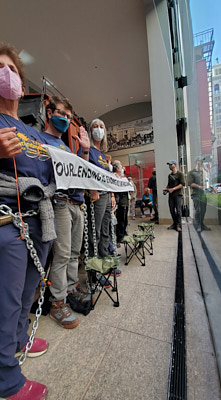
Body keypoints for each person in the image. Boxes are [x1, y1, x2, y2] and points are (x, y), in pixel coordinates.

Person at [0, 44, 55, 399]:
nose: (6, 73)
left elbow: (57, 170)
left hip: (40, 222)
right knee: (5, 304)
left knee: (25, 295)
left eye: (11, 68)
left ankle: (19, 343)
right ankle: (7, 381)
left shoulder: (33, 131)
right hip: (9, 223)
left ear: (21, 82)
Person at [41, 95, 91, 329]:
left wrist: (85, 151)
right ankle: (57, 302)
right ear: (49, 113)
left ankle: (70, 289)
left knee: (73, 253)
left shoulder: (66, 146)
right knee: (61, 256)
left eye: (68, 117)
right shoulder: (39, 139)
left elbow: (78, 173)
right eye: (61, 113)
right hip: (59, 203)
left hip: (75, 204)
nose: (65, 119)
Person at [79, 119, 119, 283]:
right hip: (95, 197)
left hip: (106, 195)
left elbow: (107, 177)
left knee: (104, 233)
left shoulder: (103, 154)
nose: (98, 129)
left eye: (102, 126)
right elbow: (83, 169)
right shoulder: (86, 149)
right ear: (90, 130)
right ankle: (94, 275)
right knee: (93, 234)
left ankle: (103, 266)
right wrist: (91, 189)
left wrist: (111, 195)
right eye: (95, 126)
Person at [188, 156, 211, 232]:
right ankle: (198, 225)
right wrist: (199, 186)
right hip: (195, 194)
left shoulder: (204, 172)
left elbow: (207, 182)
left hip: (203, 194)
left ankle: (202, 224)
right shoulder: (191, 172)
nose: (201, 163)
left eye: (202, 161)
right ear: (196, 162)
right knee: (198, 210)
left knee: (203, 210)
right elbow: (190, 183)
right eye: (200, 161)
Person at [163, 160, 185, 232]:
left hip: (178, 195)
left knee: (178, 210)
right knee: (172, 210)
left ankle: (178, 225)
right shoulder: (170, 175)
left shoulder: (180, 174)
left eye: (171, 164)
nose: (170, 166)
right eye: (169, 165)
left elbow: (182, 184)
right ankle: (175, 223)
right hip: (171, 195)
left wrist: (173, 189)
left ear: (175, 165)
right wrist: (166, 189)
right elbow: (169, 185)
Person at [112, 160, 129, 243]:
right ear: (118, 168)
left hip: (125, 201)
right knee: (120, 220)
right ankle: (119, 237)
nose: (123, 167)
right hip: (120, 202)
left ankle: (123, 233)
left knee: (125, 219)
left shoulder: (123, 178)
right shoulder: (114, 177)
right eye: (121, 166)